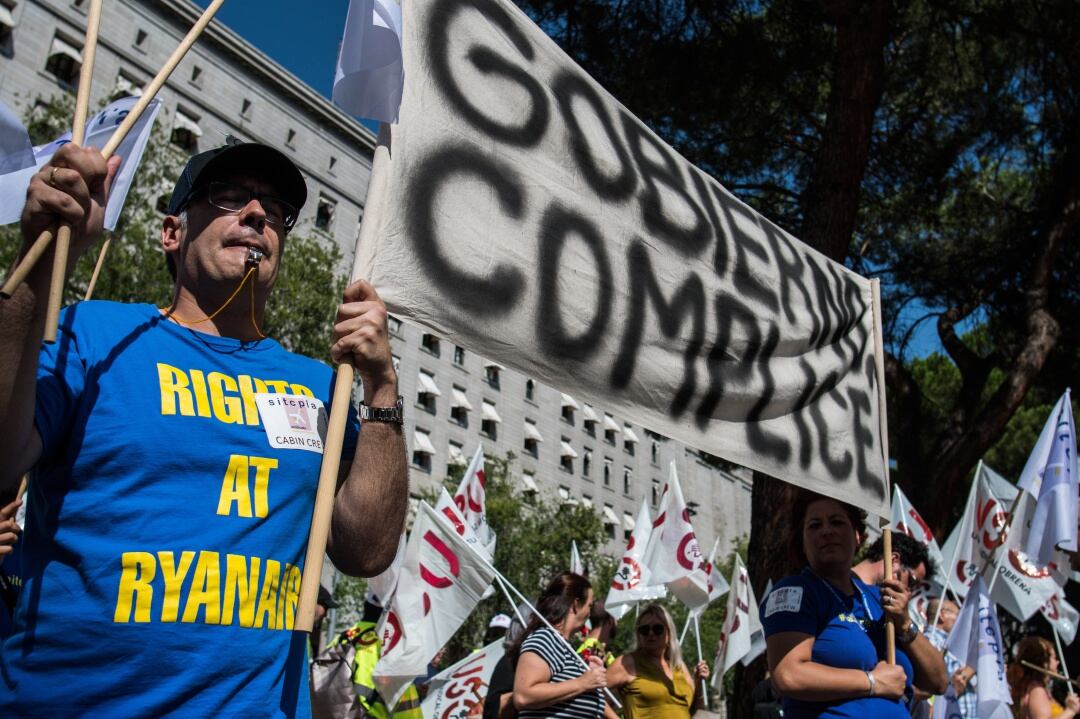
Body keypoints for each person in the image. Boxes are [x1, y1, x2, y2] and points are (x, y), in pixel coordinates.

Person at [0, 139, 408, 716]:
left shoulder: (322, 386)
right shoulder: (93, 335)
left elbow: (366, 551)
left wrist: (382, 386)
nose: (257, 214)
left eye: (273, 209)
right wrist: (41, 254)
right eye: (228, 196)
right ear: (172, 233)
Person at [760, 489, 948, 718]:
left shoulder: (880, 598)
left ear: (858, 535)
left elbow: (938, 682)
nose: (827, 531)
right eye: (815, 525)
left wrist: (905, 622)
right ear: (803, 541)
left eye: (837, 522)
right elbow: (788, 675)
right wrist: (872, 682)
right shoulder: (796, 591)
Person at [511, 572, 609, 719]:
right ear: (576, 605)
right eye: (589, 605)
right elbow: (523, 696)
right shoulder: (545, 638)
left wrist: (588, 673)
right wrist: (583, 682)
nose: (590, 613)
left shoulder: (564, 646)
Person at [606, 603, 708, 719]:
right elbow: (593, 691)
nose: (650, 633)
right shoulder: (627, 662)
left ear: (669, 633)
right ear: (638, 635)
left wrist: (699, 684)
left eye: (657, 629)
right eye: (644, 629)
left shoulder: (679, 666)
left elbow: (695, 711)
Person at [924, 597, 976, 718]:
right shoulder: (930, 641)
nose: (960, 621)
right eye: (958, 615)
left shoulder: (950, 644)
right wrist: (974, 664)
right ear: (942, 615)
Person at [1008, 635, 1080, 719]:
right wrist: (1070, 711)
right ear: (1044, 663)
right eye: (1054, 657)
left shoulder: (1032, 688)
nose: (1057, 662)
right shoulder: (1037, 691)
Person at [852, 533, 937, 597]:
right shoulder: (843, 582)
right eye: (911, 583)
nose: (909, 593)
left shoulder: (879, 610)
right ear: (893, 560)